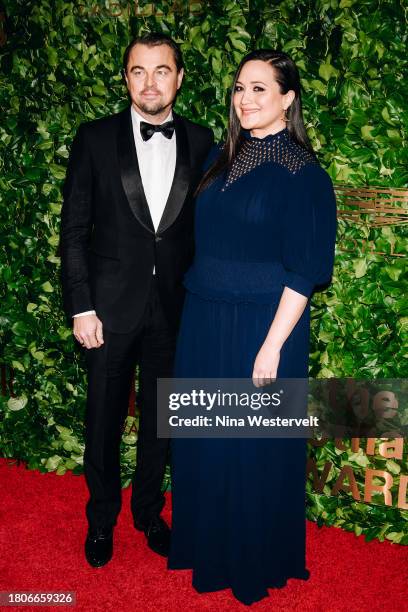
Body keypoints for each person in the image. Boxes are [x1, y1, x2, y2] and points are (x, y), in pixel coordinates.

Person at [167, 49, 337, 605]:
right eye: (240, 87)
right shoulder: (222, 156)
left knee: (251, 446)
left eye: (260, 89)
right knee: (204, 440)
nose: (245, 98)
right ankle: (206, 546)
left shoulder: (304, 174)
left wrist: (271, 347)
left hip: (263, 329)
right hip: (205, 318)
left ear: (288, 98)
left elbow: (306, 269)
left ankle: (251, 561)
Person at [59, 32, 213, 568]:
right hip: (106, 311)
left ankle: (148, 512)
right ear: (125, 77)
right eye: (138, 71)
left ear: (179, 76)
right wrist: (81, 307)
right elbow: (74, 230)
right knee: (102, 420)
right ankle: (101, 520)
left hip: (174, 310)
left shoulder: (202, 138)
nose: (150, 82)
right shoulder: (95, 138)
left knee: (160, 420)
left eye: (162, 70)